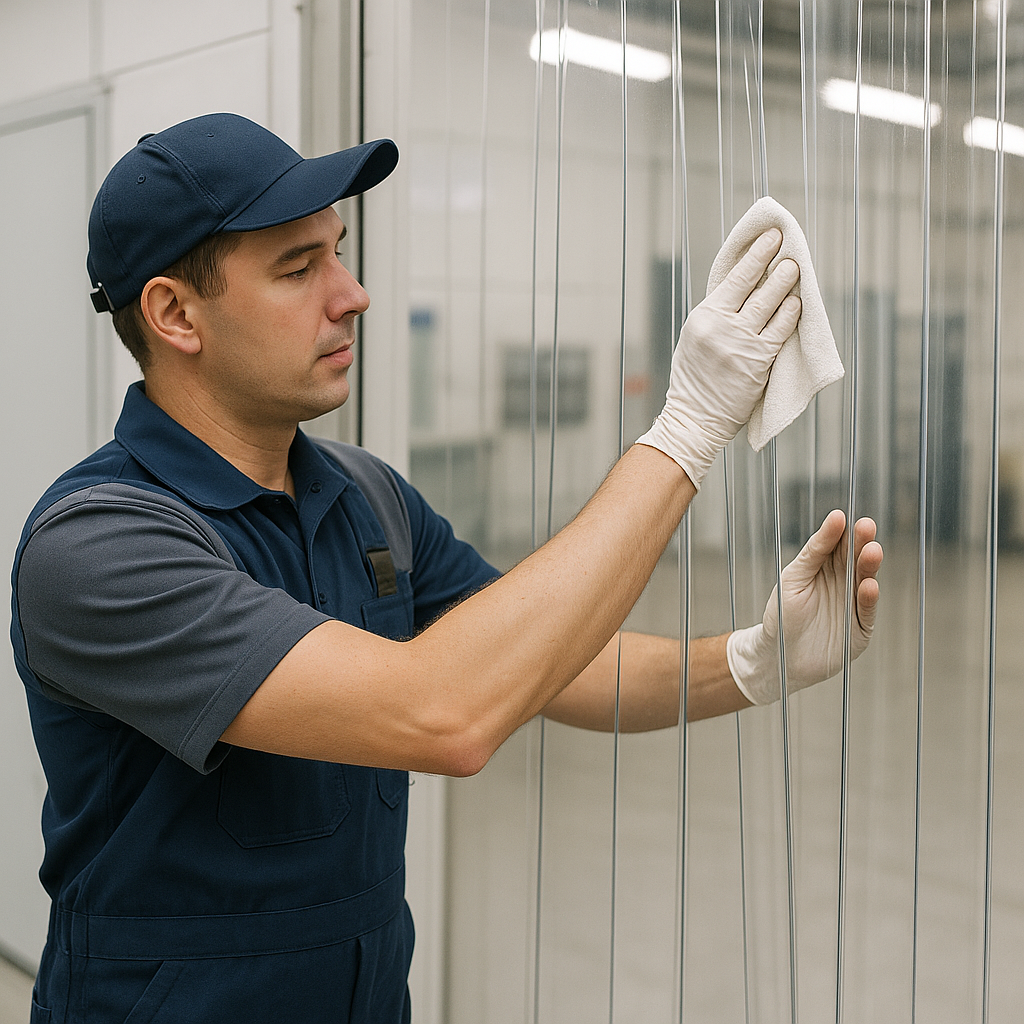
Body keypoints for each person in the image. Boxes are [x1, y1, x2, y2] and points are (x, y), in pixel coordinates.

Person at [10, 113, 882, 1023]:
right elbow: (446, 711)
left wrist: (750, 662)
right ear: (174, 314)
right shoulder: (98, 550)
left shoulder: (366, 497)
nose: (352, 295)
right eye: (297, 269)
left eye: (336, 253)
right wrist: (690, 426)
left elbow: (554, 665)